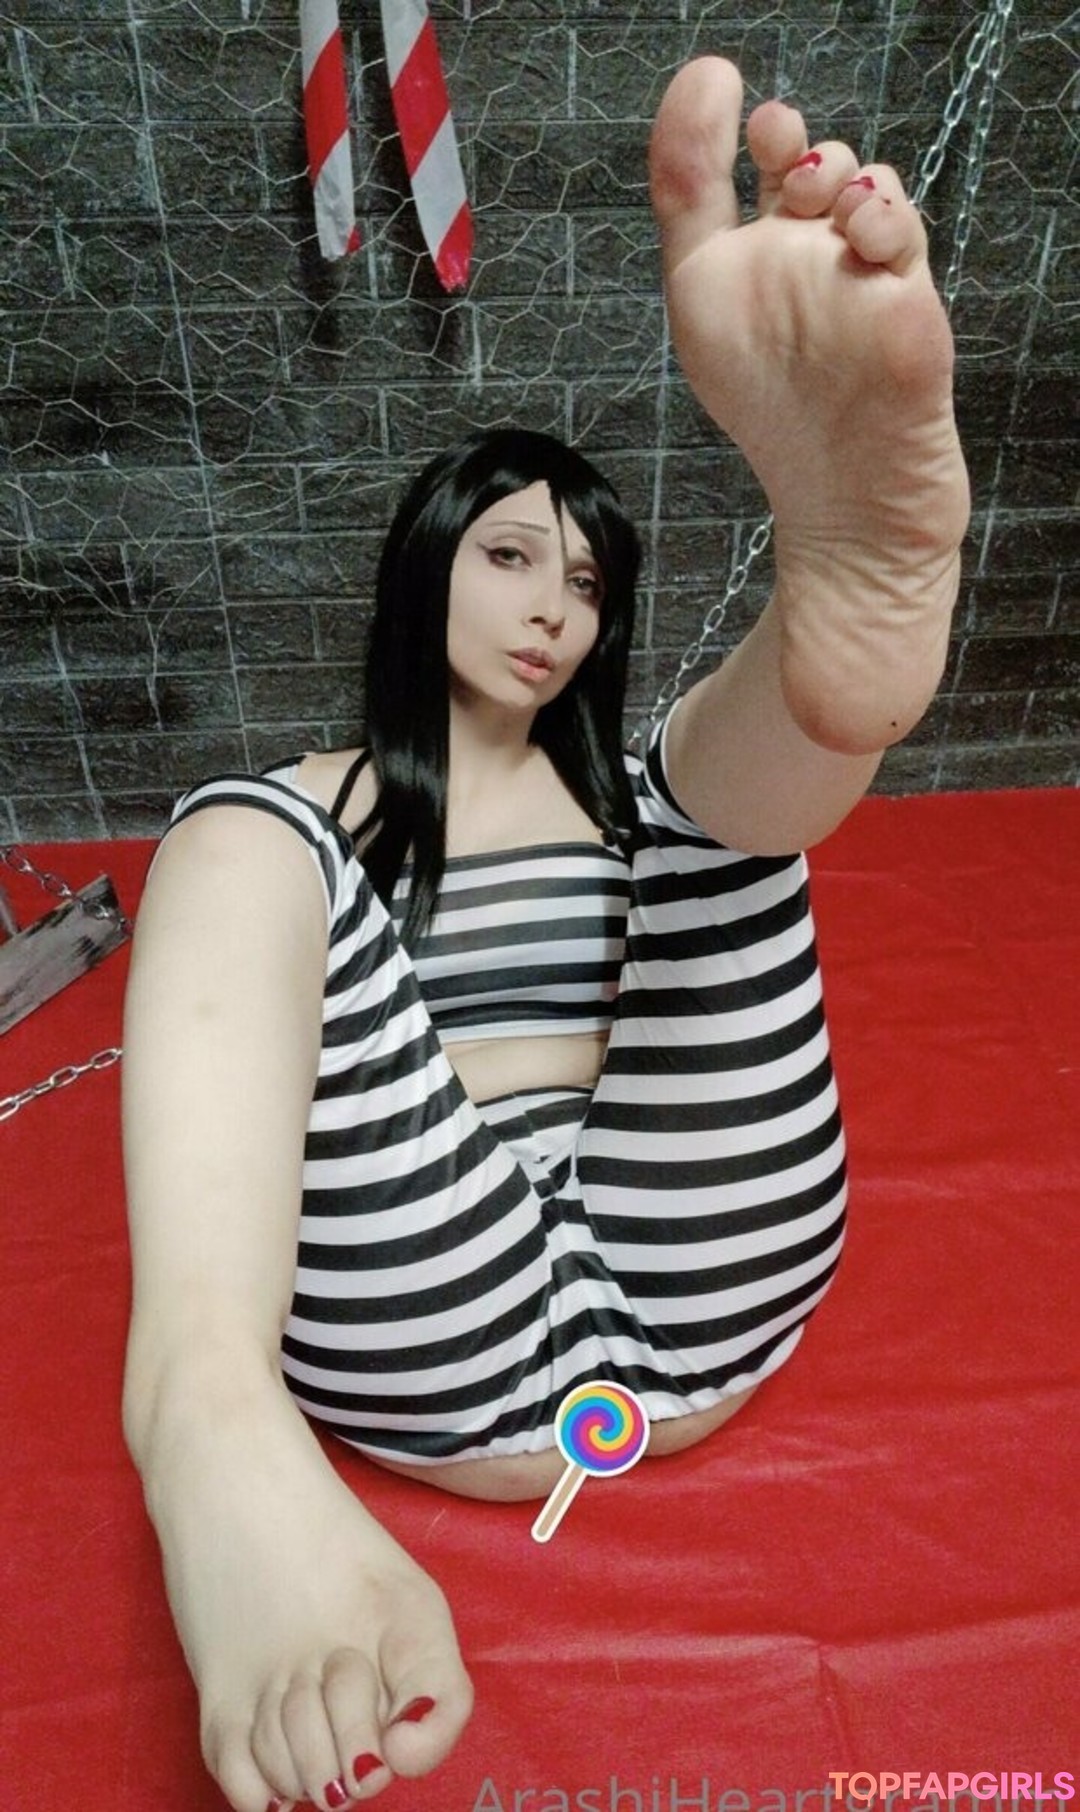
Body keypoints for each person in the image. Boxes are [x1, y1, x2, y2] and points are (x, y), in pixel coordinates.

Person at [120, 55, 969, 1812]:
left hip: (705, 1266)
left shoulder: (630, 790)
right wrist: (286, 836)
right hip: (442, 1313)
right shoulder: (316, 822)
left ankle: (834, 616)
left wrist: (821, 636)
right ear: (423, 562)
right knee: (234, 831)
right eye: (511, 558)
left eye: (587, 583)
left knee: (710, 809)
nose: (554, 612)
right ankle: (206, 1419)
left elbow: (712, 839)